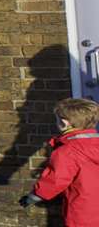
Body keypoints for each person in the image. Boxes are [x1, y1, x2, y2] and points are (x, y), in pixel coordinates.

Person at [21, 96, 98, 225]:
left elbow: (55, 180)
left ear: (64, 122)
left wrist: (33, 196)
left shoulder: (67, 151)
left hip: (83, 209)